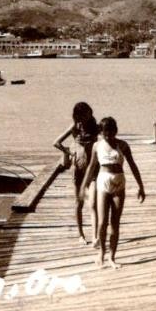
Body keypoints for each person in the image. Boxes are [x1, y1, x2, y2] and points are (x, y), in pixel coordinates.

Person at [80, 116, 144, 268]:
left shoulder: (123, 145)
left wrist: (141, 186)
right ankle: (101, 253)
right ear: (101, 133)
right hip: (103, 182)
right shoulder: (97, 145)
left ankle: (112, 257)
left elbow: (133, 165)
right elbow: (91, 167)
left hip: (119, 183)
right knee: (102, 223)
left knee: (115, 224)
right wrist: (84, 186)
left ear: (116, 131)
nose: (108, 136)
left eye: (111, 132)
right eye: (105, 133)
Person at [53, 102, 99, 244]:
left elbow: (107, 141)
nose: (86, 117)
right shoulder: (75, 128)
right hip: (78, 169)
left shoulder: (96, 128)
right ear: (77, 116)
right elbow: (56, 142)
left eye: (87, 113)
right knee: (78, 203)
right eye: (82, 115)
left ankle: (95, 236)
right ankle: (81, 235)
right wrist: (69, 152)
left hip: (93, 170)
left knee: (93, 203)